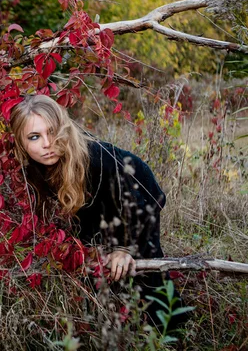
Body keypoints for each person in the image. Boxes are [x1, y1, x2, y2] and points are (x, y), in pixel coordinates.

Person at [10, 94, 171, 326]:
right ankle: (100, 319)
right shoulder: (34, 165)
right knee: (91, 256)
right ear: (21, 143)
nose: (47, 144)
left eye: (53, 132)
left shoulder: (94, 156)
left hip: (139, 196)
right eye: (34, 137)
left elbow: (133, 204)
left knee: (140, 264)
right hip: (97, 201)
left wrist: (124, 248)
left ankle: (165, 328)